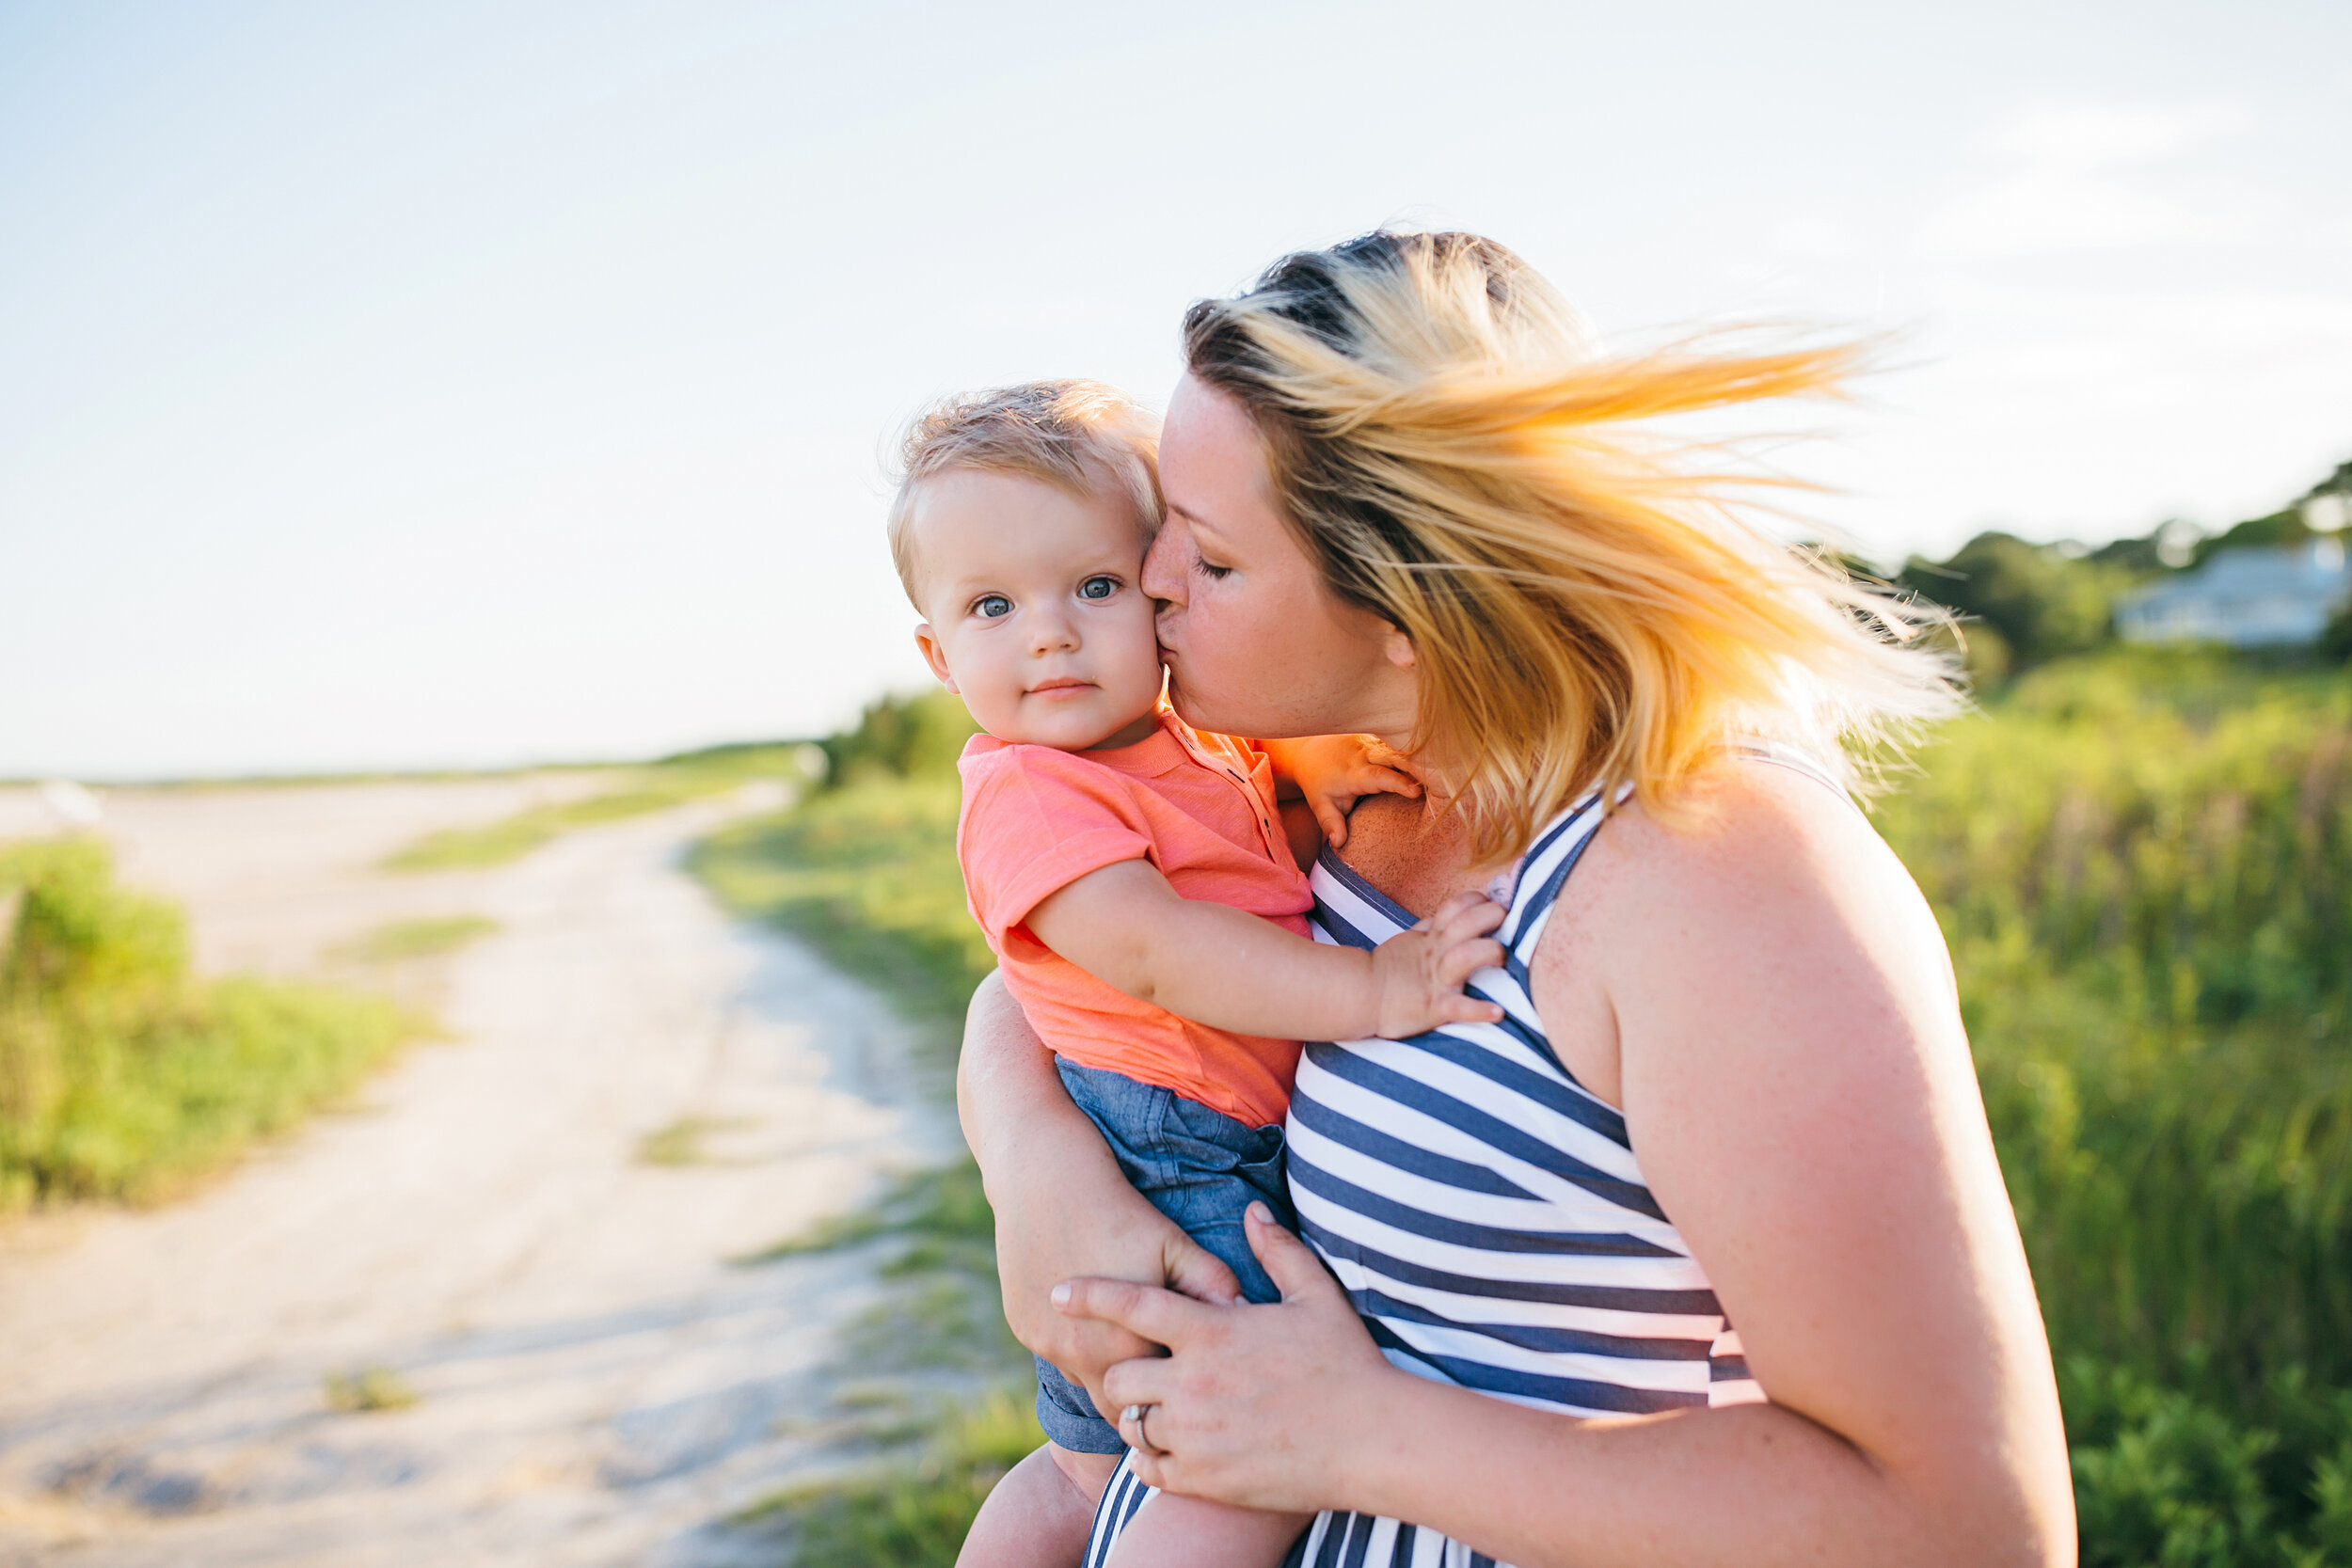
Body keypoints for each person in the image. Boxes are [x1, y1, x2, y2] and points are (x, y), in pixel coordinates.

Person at [958, 232, 2077, 1567]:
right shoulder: (1342, 784)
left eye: (1206, 556)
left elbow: (1966, 1526)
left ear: (1407, 609)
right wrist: (1038, 1166)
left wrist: (1361, 1434)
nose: (1146, 585)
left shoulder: (1715, 875)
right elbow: (1076, 964)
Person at [886, 380, 1511, 1568]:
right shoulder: (1027, 787)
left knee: (1081, 1467)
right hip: (1169, 1143)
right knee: (1248, 1441)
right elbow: (1150, 946)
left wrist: (1309, 773)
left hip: (1204, 1127)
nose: (1050, 632)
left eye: (1095, 586)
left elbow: (1240, 815)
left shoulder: (1191, 740)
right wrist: (1374, 991)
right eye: (991, 605)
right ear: (936, 651)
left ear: (1157, 591)